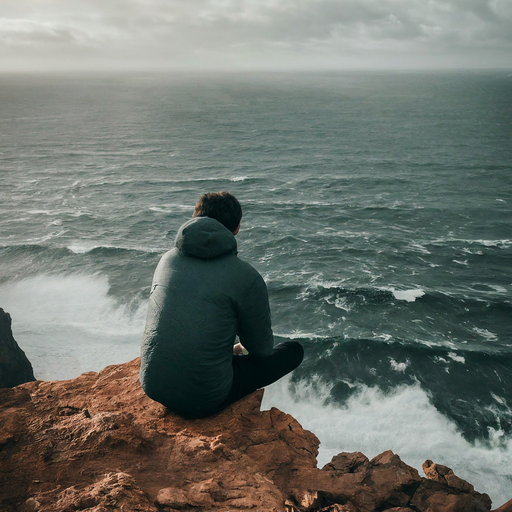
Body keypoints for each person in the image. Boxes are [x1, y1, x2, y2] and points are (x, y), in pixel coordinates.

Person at [139, 191, 303, 418]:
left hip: (153, 384)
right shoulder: (246, 276)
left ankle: (226, 354)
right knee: (292, 351)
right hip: (205, 398)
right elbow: (262, 350)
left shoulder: (167, 260)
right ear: (236, 229)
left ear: (195, 217)